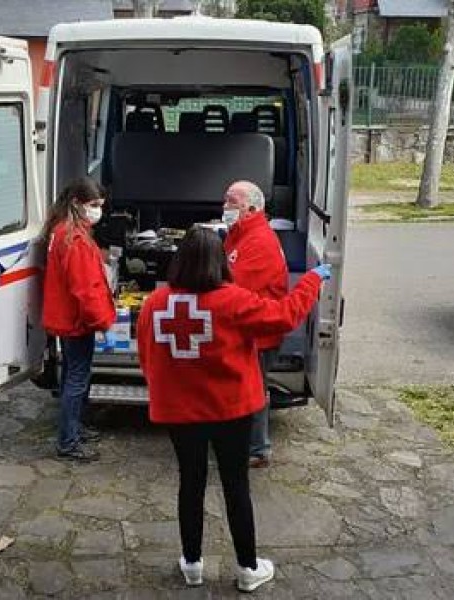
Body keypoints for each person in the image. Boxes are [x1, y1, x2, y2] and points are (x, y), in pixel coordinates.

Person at [137, 226, 330, 592]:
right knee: (236, 486)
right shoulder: (233, 300)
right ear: (220, 262)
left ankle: (192, 563)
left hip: (179, 414)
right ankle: (247, 568)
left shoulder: (154, 304)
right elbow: (285, 316)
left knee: (189, 485)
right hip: (231, 412)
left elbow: (147, 360)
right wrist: (311, 280)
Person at [41, 177, 116, 462]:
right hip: (76, 322)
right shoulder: (75, 239)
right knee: (76, 380)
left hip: (67, 318)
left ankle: (75, 429)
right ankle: (68, 441)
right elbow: (86, 289)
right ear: (77, 203)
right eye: (94, 205)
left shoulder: (63, 231)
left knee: (73, 376)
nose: (98, 211)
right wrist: (103, 323)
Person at [222, 180, 289, 469]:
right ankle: (247, 444)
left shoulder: (259, 241)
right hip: (246, 328)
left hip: (258, 332)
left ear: (250, 208)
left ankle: (257, 449)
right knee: (246, 387)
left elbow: (235, 285)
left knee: (252, 389)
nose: (225, 207)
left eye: (231, 202)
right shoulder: (239, 234)